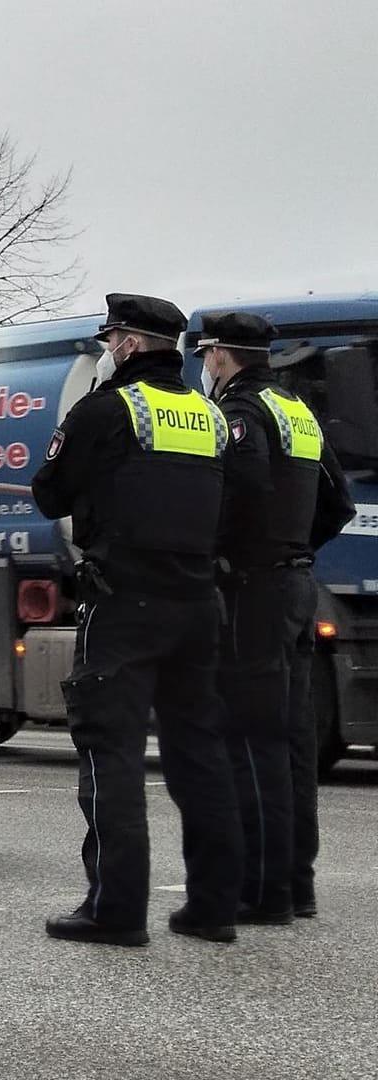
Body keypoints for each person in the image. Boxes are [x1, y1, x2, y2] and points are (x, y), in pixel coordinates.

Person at [32, 292, 243, 947]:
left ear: (125, 343)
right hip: (200, 605)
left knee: (111, 753)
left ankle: (116, 909)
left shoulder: (109, 408)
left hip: (125, 601)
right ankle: (212, 909)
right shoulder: (210, 415)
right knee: (202, 755)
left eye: (111, 339)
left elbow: (50, 494)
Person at [197, 312, 354, 922]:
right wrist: (296, 547)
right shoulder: (297, 409)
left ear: (219, 356)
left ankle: (261, 891)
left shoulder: (239, 415)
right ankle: (295, 884)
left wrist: (233, 553)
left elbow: (240, 493)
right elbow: (336, 502)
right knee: (291, 741)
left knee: (248, 737)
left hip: (251, 589)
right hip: (295, 584)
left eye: (207, 353)